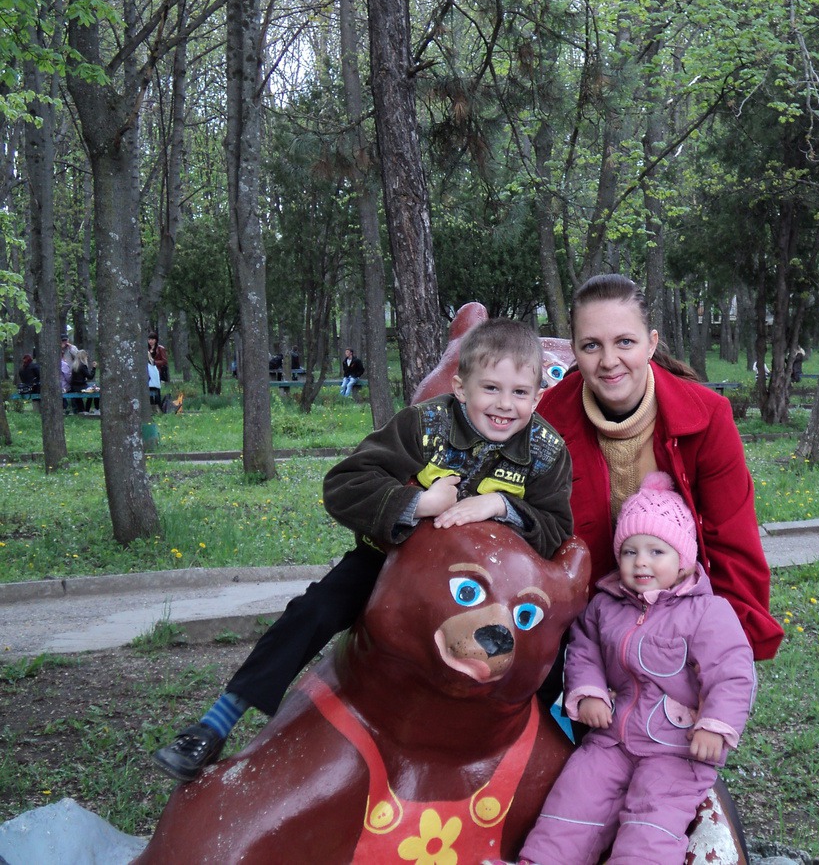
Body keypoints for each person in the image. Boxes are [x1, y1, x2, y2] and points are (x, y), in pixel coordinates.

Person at [151, 318, 575, 782]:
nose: (504, 404)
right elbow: (345, 484)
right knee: (314, 609)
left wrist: (502, 505)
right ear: (460, 386)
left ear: (538, 397)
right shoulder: (423, 426)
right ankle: (216, 722)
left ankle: (539, 757)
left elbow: (557, 528)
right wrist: (418, 503)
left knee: (545, 642)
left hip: (489, 591)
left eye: (519, 393)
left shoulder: (547, 452)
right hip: (390, 562)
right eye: (490, 388)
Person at [538, 273, 783, 662]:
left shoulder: (706, 416)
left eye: (625, 342)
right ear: (574, 351)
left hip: (679, 619)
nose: (608, 361)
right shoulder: (547, 419)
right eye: (591, 345)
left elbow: (733, 544)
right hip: (583, 628)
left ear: (651, 343)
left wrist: (725, 653)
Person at [514, 472, 756, 865]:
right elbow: (584, 649)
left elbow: (731, 672)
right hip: (612, 740)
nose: (641, 561)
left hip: (676, 750)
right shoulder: (605, 605)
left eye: (656, 551)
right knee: (574, 800)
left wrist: (715, 726)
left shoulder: (707, 612)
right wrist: (589, 691)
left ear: (683, 561)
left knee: (651, 822)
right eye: (629, 551)